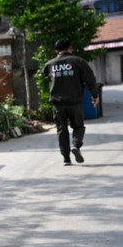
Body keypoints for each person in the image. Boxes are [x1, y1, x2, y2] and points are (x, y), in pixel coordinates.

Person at [42, 38, 99, 166]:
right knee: (78, 126)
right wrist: (95, 95)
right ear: (70, 48)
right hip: (75, 101)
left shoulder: (49, 65)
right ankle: (76, 145)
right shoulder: (78, 62)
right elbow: (90, 79)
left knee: (62, 129)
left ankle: (66, 158)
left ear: (56, 51)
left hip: (58, 103)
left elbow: (46, 78)